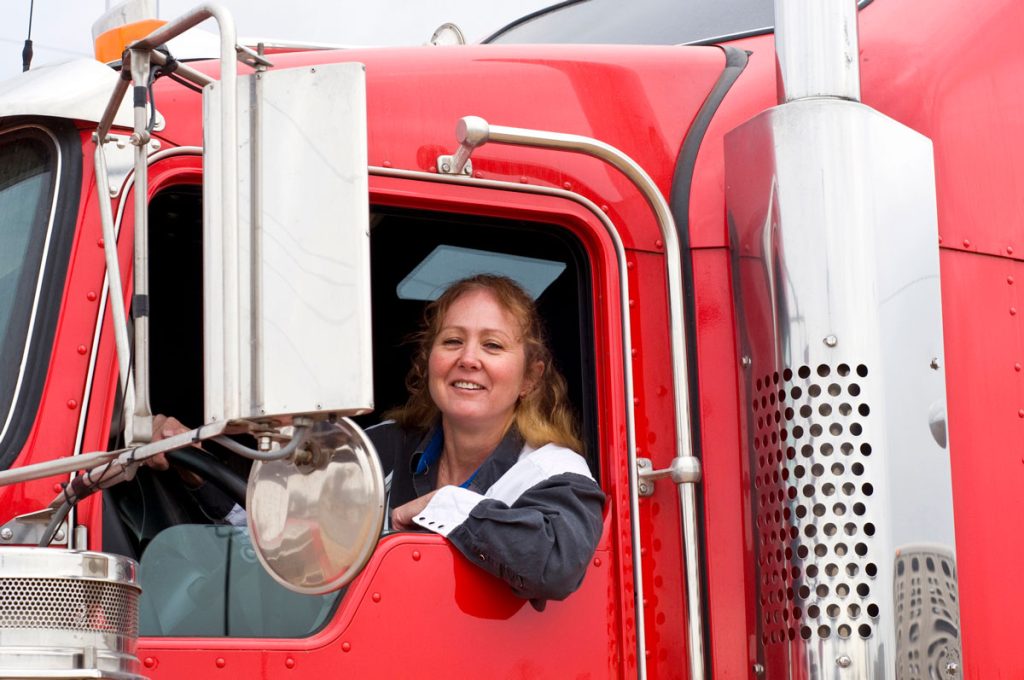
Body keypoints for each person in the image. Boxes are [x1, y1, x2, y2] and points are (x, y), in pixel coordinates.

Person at [367, 274, 604, 609]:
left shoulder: (553, 471)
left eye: (492, 345)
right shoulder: (376, 449)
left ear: (530, 379)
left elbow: (555, 563)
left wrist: (443, 505)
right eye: (451, 341)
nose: (468, 359)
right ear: (428, 362)